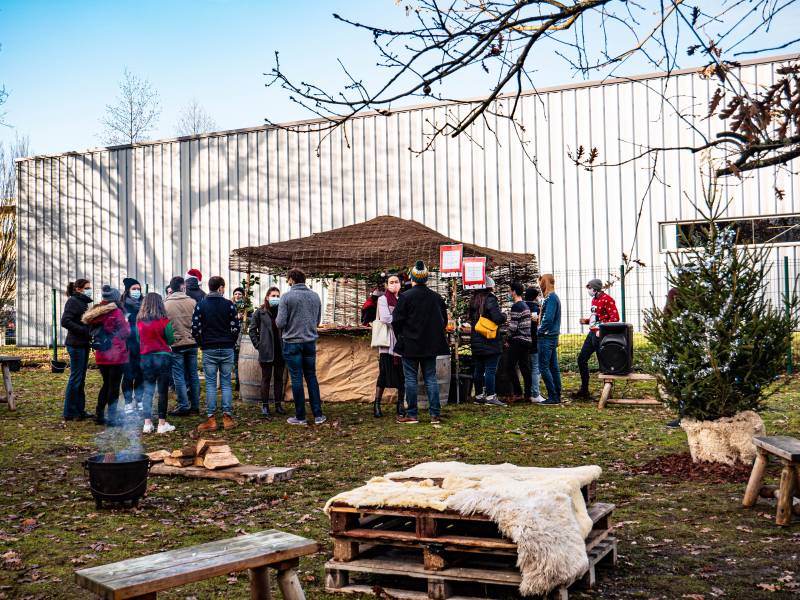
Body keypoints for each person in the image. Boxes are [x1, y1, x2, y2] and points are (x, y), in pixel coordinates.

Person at [392, 260, 449, 424]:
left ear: (412, 278)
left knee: (410, 379)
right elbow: (443, 321)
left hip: (409, 345)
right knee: (431, 378)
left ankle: (412, 414)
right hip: (430, 345)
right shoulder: (436, 298)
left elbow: (396, 321)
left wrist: (402, 337)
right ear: (426, 278)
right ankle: (435, 415)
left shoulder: (405, 297)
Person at [276, 268, 326, 426]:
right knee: (311, 377)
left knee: (297, 378)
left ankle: (300, 416)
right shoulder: (315, 296)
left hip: (292, 343)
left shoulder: (286, 297)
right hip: (310, 342)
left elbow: (280, 323)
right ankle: (318, 415)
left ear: (291, 279)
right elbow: (317, 321)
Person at [192, 276, 240, 431]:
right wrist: (230, 342)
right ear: (220, 287)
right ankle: (227, 417)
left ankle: (211, 419)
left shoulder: (201, 305)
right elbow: (235, 327)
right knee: (226, 383)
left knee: (211, 384)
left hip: (209, 348)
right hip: (226, 347)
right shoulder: (229, 305)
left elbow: (195, 328)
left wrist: (201, 343)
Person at [81, 285, 131, 425]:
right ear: (115, 297)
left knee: (106, 384)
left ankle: (99, 414)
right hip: (116, 354)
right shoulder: (116, 312)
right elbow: (126, 332)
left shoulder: (94, 312)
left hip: (101, 353)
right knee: (114, 386)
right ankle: (112, 417)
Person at [572, 278, 620, 400]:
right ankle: (584, 389)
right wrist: (588, 321)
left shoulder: (608, 300)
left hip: (601, 335)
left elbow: (615, 318)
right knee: (582, 359)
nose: (588, 290)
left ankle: (607, 393)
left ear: (595, 288)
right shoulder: (594, 299)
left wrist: (601, 328)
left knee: (602, 363)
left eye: (589, 288)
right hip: (592, 334)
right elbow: (598, 317)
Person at [137, 293, 176, 434]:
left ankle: (147, 424)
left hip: (146, 358)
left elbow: (137, 340)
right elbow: (171, 340)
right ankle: (161, 424)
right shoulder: (165, 321)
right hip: (163, 357)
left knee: (148, 391)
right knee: (162, 391)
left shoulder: (139, 322)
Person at [468, 276, 507, 407]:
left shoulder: (473, 300)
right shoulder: (490, 299)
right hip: (489, 340)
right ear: (490, 287)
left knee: (478, 369)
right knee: (490, 369)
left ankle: (479, 396)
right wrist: (505, 316)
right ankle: (490, 396)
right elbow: (497, 318)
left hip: (476, 340)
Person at [165, 276, 200, 416]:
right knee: (193, 375)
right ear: (182, 287)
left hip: (176, 344)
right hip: (192, 342)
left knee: (178, 376)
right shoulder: (192, 302)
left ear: (171, 288)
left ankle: (183, 406)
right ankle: (195, 406)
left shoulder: (165, 304)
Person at [249, 287, 286, 419]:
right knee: (266, 378)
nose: (276, 298)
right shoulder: (260, 312)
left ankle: (278, 405)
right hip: (266, 350)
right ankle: (265, 406)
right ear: (267, 297)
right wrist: (259, 345)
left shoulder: (282, 311)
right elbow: (252, 330)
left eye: (278, 295)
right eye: (273, 295)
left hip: (280, 350)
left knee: (279, 379)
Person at [60, 279, 93, 421]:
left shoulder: (83, 302)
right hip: (76, 344)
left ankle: (79, 410)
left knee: (81, 379)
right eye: (87, 287)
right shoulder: (73, 301)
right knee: (76, 378)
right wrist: (83, 331)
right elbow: (65, 321)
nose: (89, 289)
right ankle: (69, 411)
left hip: (83, 343)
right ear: (79, 289)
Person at [373, 274, 405, 418]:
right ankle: (377, 404)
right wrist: (401, 322)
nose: (393, 284)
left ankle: (400, 404)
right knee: (384, 374)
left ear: (400, 283)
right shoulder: (383, 299)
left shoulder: (403, 299)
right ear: (386, 285)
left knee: (402, 375)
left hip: (402, 342)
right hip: (388, 342)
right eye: (391, 282)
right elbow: (386, 318)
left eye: (396, 282)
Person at [536, 274, 562, 406]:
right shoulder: (554, 297)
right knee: (553, 367)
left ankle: (553, 396)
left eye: (541, 284)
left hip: (546, 337)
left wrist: (539, 331)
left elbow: (548, 318)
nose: (540, 287)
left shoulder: (550, 298)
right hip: (552, 336)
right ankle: (557, 394)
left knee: (544, 367)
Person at [506, 282, 533, 402]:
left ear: (514, 292)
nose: (509, 293)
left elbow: (513, 327)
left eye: (510, 290)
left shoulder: (516, 306)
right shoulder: (526, 306)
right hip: (527, 340)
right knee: (525, 368)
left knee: (509, 367)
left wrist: (507, 339)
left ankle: (517, 393)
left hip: (518, 340)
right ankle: (528, 394)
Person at [120, 277, 144, 414]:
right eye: (134, 289)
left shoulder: (144, 304)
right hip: (127, 345)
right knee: (128, 374)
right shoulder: (123, 305)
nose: (137, 291)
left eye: (138, 289)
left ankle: (139, 399)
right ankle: (128, 402)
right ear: (128, 290)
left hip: (141, 344)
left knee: (140, 373)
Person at [524, 286, 545, 403]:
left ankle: (526, 393)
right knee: (536, 368)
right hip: (534, 341)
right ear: (536, 297)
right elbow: (537, 324)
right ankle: (535, 393)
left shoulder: (521, 306)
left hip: (522, 341)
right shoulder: (536, 308)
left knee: (526, 367)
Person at [231, 286, 246, 391]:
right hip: (232, 335)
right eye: (236, 294)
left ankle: (243, 381)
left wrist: (244, 317)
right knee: (235, 361)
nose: (237, 295)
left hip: (243, 335)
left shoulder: (246, 307)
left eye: (239, 294)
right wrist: (236, 317)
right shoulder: (230, 306)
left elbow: (251, 318)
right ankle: (237, 381)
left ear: (243, 295)